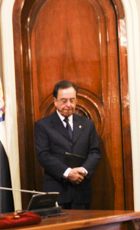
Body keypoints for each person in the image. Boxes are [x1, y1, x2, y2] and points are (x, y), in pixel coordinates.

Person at [34, 80, 101, 209]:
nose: (68, 104)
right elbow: (43, 155)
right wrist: (67, 172)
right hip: (56, 192)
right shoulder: (43, 125)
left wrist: (83, 170)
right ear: (55, 101)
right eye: (64, 100)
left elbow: (95, 152)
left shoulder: (88, 124)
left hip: (81, 192)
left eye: (72, 100)